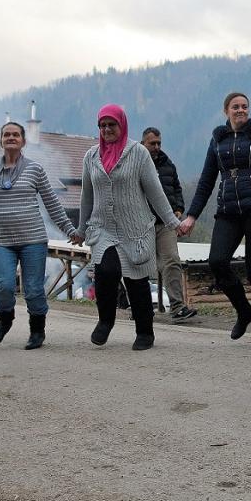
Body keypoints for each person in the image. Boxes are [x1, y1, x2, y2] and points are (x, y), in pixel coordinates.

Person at [179, 93, 251, 351]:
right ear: (226, 111)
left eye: (244, 106)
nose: (241, 110)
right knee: (217, 261)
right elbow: (207, 180)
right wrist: (191, 215)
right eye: (236, 107)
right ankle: (244, 311)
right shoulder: (218, 138)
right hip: (228, 210)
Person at [0, 121, 84, 351]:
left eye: (16, 134)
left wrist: (70, 230)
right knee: (3, 287)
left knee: (34, 289)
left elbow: (52, 203)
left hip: (33, 239)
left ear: (24, 141)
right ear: (1, 140)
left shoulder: (35, 169)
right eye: (6, 134)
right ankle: (5, 320)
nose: (11, 138)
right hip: (1, 241)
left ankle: (37, 330)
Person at [81, 105, 182, 350]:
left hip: (135, 229)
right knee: (106, 271)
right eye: (102, 125)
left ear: (122, 125)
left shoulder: (138, 153)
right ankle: (105, 321)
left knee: (136, 280)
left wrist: (172, 221)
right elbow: (87, 196)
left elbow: (155, 192)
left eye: (111, 125)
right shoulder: (91, 156)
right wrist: (81, 229)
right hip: (102, 227)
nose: (106, 129)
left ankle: (145, 332)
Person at [141, 127, 196, 322]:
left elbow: (176, 188)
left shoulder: (167, 164)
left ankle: (178, 307)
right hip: (141, 224)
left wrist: (179, 209)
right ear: (143, 143)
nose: (156, 147)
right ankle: (139, 307)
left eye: (158, 143)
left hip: (165, 224)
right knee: (140, 266)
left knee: (172, 260)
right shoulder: (135, 163)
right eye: (152, 143)